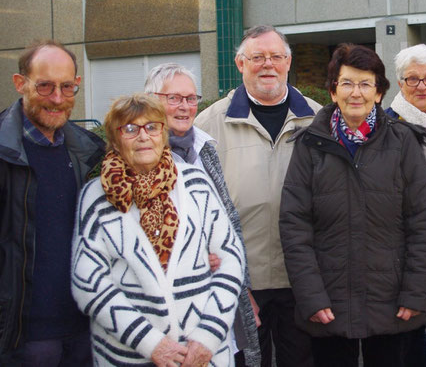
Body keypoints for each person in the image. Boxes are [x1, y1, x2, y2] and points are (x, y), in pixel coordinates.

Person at [279, 43, 426, 367]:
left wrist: (415, 293)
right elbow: (294, 225)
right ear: (333, 91)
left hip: (391, 301)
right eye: (347, 83)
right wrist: (311, 296)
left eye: (366, 84)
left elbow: (422, 222)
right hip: (328, 303)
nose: (356, 93)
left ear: (379, 93)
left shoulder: (404, 142)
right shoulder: (310, 144)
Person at [70, 93, 245, 366]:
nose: (143, 136)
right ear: (114, 139)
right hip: (129, 355)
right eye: (130, 128)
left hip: (201, 355)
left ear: (163, 133)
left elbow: (231, 258)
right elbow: (88, 282)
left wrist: (209, 334)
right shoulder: (96, 196)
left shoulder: (195, 183)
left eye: (152, 126)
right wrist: (150, 342)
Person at [194, 24, 321, 367]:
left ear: (288, 62)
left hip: (302, 276)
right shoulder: (209, 125)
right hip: (241, 280)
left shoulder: (318, 119)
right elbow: (199, 207)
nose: (268, 64)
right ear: (240, 64)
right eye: (258, 57)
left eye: (276, 56)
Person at [144, 62, 261, 367]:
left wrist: (242, 289)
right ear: (151, 101)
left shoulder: (204, 147)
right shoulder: (138, 159)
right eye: (174, 99)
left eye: (191, 98)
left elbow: (227, 223)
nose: (184, 107)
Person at [0, 39, 106, 366]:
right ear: (21, 84)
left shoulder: (89, 153)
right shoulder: (5, 153)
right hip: (24, 338)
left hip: (85, 330)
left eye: (66, 87)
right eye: (44, 87)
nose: (57, 99)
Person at [385, 43, 426, 367]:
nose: (422, 86)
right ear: (400, 83)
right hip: (405, 253)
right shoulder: (383, 128)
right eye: (413, 79)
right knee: (410, 341)